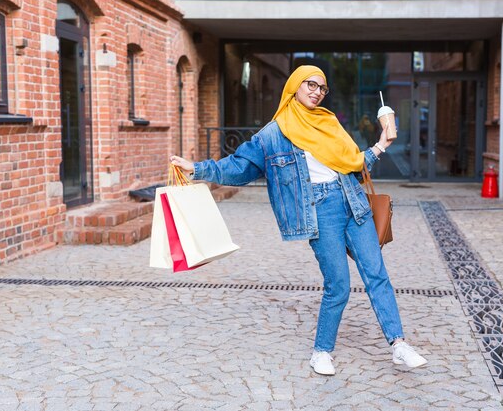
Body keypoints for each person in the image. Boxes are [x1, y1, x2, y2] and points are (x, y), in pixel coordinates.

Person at [170, 65, 427, 375]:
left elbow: (353, 164)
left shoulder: (329, 122)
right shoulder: (273, 134)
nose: (317, 92)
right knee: (339, 285)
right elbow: (238, 168)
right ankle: (321, 351)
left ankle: (398, 344)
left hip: (353, 204)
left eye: (322, 88)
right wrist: (197, 169)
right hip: (320, 211)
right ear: (295, 85)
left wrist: (382, 144)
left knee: (377, 274)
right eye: (311, 84)